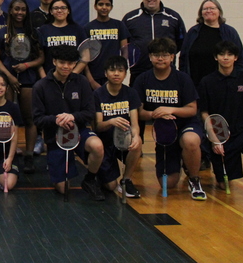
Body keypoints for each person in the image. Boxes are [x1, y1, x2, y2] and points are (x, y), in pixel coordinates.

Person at [133, 37, 205, 200]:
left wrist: (171, 109)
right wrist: (154, 114)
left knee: (190, 141)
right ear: (150, 57)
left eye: (165, 55)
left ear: (172, 57)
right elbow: (139, 112)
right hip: (164, 133)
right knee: (169, 183)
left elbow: (192, 109)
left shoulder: (182, 78)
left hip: (186, 125)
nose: (160, 58)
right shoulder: (142, 79)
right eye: (156, 55)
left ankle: (194, 179)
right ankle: (183, 159)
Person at [32, 45, 106, 201]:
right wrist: (56, 120)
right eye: (62, 62)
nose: (66, 66)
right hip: (55, 137)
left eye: (70, 63)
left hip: (79, 131)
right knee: (63, 189)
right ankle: (57, 168)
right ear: (54, 62)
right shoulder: (40, 86)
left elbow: (89, 112)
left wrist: (72, 117)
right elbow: (37, 119)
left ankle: (90, 179)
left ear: (75, 64)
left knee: (97, 146)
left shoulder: (82, 82)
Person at [198, 41, 243, 196]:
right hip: (221, 135)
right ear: (216, 57)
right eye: (222, 54)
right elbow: (204, 113)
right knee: (224, 184)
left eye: (229, 54)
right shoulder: (207, 81)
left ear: (236, 57)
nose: (225, 57)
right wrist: (214, 139)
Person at [0, 0, 43, 173]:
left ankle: (29, 156)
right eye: (16, 9)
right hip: (7, 80)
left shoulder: (33, 33)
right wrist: (9, 76)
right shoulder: (2, 33)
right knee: (6, 119)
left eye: (23, 9)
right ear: (11, 11)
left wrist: (27, 65)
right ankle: (5, 154)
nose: (20, 12)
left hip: (28, 79)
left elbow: (41, 58)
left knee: (29, 119)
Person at [93, 56, 142, 199]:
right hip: (105, 143)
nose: (116, 74)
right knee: (110, 186)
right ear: (105, 73)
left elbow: (135, 124)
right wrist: (111, 122)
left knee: (137, 143)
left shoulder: (131, 93)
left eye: (120, 70)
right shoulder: (98, 94)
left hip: (123, 139)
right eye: (112, 70)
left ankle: (126, 180)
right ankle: (99, 173)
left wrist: (136, 136)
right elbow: (98, 126)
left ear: (125, 73)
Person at [122, 0, 186, 85]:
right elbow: (124, 45)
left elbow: (181, 42)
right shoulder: (130, 19)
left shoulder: (174, 17)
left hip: (167, 72)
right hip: (139, 72)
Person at [180, 0, 243, 88]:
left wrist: (236, 80)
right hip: (195, 85)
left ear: (219, 12)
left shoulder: (230, 32)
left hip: (223, 85)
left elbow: (240, 58)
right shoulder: (193, 32)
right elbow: (183, 58)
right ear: (201, 13)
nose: (208, 11)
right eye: (205, 9)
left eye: (212, 8)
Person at [85, 0, 130, 90]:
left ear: (111, 7)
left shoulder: (119, 25)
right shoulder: (88, 27)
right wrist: (91, 81)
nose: (104, 7)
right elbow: (84, 57)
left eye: (107, 5)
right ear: (95, 6)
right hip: (94, 76)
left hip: (113, 75)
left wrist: (120, 70)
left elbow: (125, 50)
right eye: (101, 4)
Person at [38, 0, 87, 76]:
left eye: (63, 8)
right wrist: (45, 79)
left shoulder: (78, 30)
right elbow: (38, 58)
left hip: (73, 78)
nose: (59, 10)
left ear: (68, 11)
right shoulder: (43, 30)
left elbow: (85, 57)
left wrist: (72, 75)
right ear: (51, 11)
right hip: (50, 77)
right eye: (56, 8)